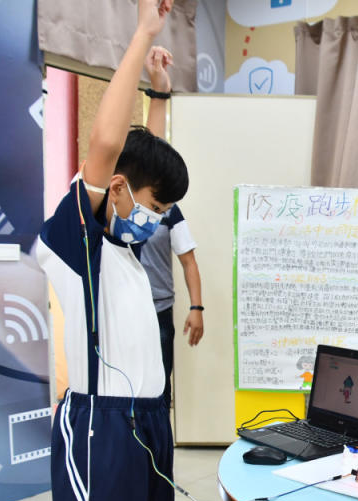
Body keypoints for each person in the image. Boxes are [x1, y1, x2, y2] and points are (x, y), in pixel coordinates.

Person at [35, 2, 187, 501]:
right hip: (103, 430)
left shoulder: (126, 245)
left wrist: (160, 96)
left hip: (150, 421)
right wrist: (142, 35)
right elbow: (108, 145)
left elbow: (142, 163)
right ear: (115, 190)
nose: (160, 219)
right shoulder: (80, 240)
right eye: (156, 205)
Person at [138, 46, 204, 409]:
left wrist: (197, 307)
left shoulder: (167, 212)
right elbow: (145, 167)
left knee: (160, 390)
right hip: (122, 312)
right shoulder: (113, 219)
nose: (156, 210)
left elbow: (189, 261)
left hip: (159, 308)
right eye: (154, 204)